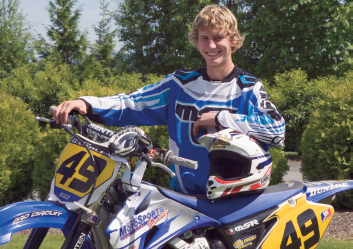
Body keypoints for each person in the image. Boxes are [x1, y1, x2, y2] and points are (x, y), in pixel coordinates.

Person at [53, 5, 285, 195]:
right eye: (204, 38)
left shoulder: (248, 88)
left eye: (218, 38)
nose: (211, 46)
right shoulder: (179, 85)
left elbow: (277, 129)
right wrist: (86, 104)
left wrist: (220, 118)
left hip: (235, 202)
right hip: (183, 199)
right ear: (196, 41)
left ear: (233, 40)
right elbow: (132, 102)